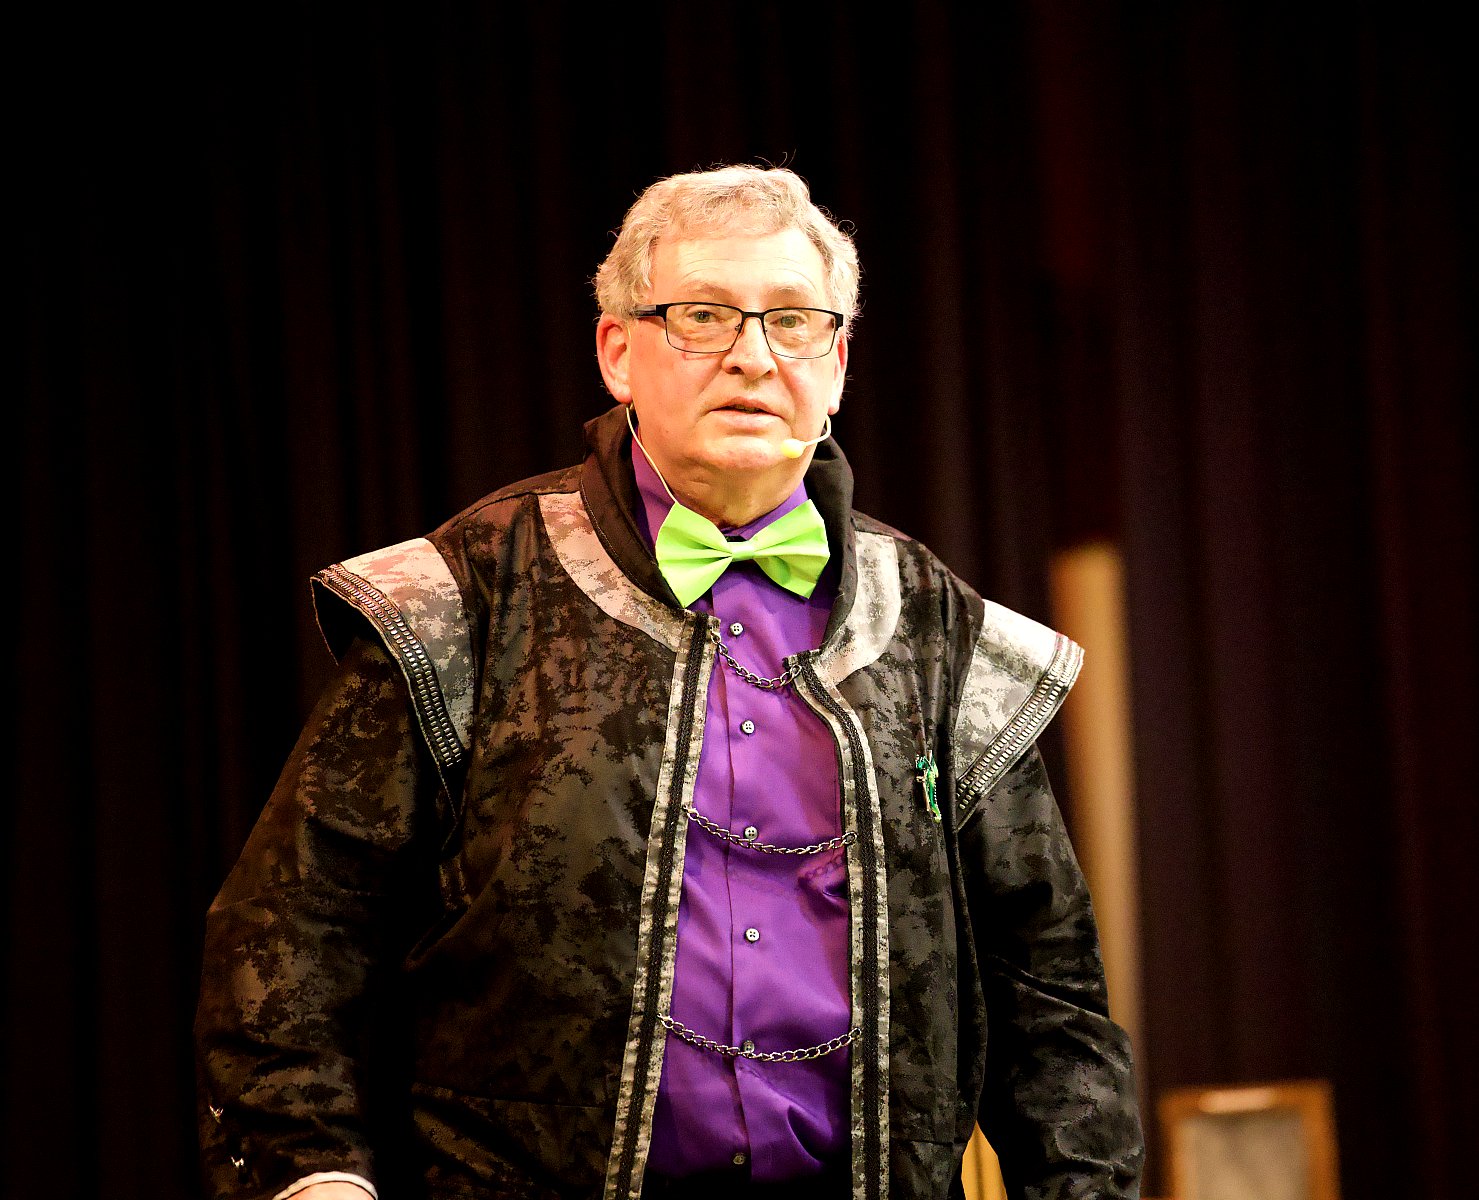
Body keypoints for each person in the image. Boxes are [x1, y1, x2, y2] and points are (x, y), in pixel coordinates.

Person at [196, 165, 1142, 1200]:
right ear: (618, 352)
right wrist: (314, 1175)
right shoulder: (466, 596)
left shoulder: (935, 630)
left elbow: (1051, 1001)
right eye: (702, 316)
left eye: (792, 320)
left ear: (836, 364)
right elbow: (292, 927)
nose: (753, 355)